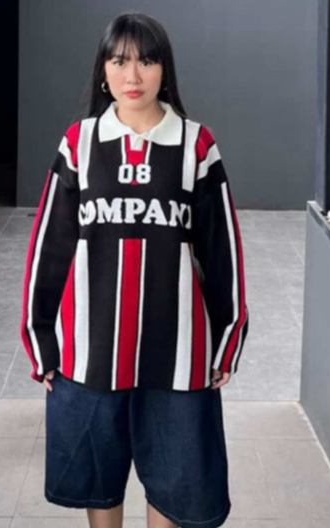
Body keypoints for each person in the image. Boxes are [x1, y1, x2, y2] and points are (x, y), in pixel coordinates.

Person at [20, 11, 249, 528]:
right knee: (98, 481)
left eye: (146, 61)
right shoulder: (79, 144)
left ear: (164, 70)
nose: (133, 75)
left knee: (177, 485)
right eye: (119, 61)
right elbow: (49, 249)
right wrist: (40, 340)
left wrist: (227, 339)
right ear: (102, 70)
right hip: (89, 353)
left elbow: (222, 252)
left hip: (178, 357)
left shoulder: (197, 145)